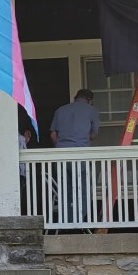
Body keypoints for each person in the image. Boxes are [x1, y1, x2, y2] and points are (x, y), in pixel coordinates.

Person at [49, 89, 99, 229]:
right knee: (82, 190)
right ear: (89, 99)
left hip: (61, 156)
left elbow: (53, 134)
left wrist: (61, 146)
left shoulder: (61, 110)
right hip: (80, 155)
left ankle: (66, 222)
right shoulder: (91, 110)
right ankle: (78, 223)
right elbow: (94, 134)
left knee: (65, 190)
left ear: (75, 97)